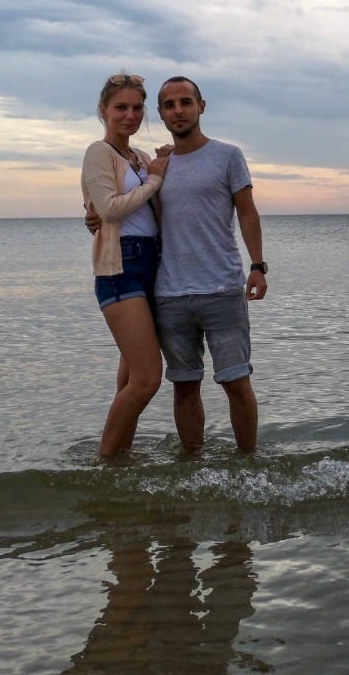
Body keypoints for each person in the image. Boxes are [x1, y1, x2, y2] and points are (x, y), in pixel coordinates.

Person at [151, 75, 268, 454]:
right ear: (161, 114)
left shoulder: (228, 155)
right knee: (184, 386)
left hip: (222, 290)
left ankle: (248, 463)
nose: (178, 110)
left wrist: (258, 266)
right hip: (170, 294)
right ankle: (191, 466)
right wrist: (93, 216)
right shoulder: (158, 166)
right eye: (169, 105)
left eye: (185, 102)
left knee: (236, 383)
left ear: (201, 106)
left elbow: (248, 213)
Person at [80, 72, 169, 457]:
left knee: (132, 377)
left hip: (152, 264)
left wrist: (162, 163)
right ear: (103, 111)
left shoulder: (140, 158)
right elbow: (110, 209)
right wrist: (153, 181)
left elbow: (150, 209)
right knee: (149, 378)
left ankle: (120, 464)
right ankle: (105, 463)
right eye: (121, 108)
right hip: (120, 267)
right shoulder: (98, 153)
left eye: (136, 108)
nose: (130, 116)